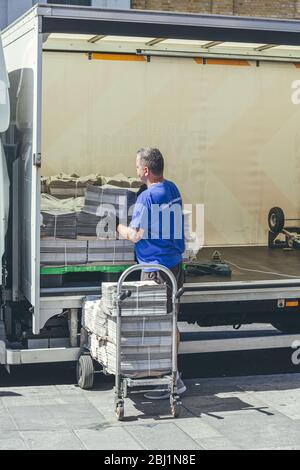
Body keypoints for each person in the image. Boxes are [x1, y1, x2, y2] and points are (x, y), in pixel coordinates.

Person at [117, 147, 186, 400]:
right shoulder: (173, 189)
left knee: (159, 327)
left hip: (156, 272)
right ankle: (172, 375)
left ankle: (169, 381)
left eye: (137, 166)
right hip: (175, 266)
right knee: (171, 321)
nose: (135, 170)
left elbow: (136, 235)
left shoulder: (146, 198)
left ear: (146, 170)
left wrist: (119, 227)